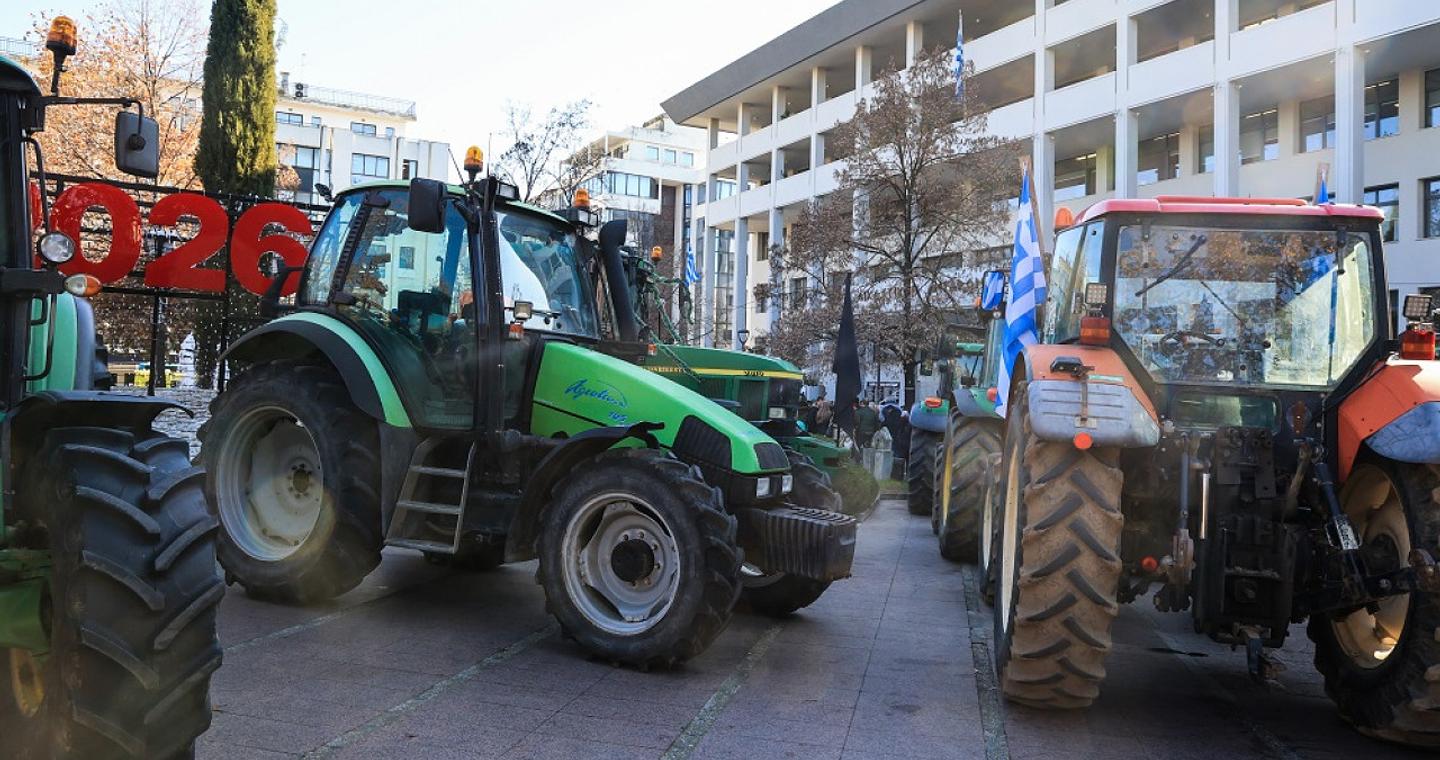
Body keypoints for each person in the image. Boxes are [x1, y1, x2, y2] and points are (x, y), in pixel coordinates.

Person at [882, 404, 910, 480]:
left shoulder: (888, 417)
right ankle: (906, 475)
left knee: (897, 457)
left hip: (899, 441)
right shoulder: (907, 423)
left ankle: (897, 476)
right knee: (905, 459)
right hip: (905, 443)